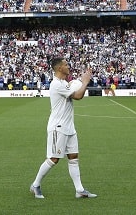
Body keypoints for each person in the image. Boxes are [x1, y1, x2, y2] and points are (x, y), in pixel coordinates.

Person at [29, 57, 96, 200]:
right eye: (65, 64)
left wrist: (77, 82)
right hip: (58, 127)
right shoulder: (56, 84)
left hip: (69, 127)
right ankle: (35, 185)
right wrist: (84, 82)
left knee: (73, 157)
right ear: (59, 68)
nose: (68, 66)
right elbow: (78, 96)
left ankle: (79, 190)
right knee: (53, 159)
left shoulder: (64, 83)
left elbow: (73, 88)